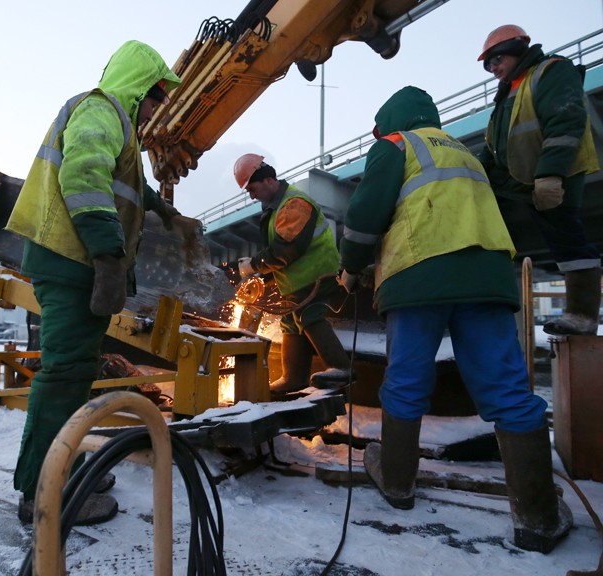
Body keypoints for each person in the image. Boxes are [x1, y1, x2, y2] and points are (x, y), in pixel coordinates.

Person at [338, 86, 573, 553]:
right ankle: (538, 517)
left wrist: (351, 263)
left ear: (389, 121)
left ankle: (398, 484)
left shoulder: (395, 146)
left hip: (420, 275)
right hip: (485, 274)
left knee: (406, 379)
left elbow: (366, 213)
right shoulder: (469, 153)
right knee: (507, 387)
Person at [5, 40, 182, 525]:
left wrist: (167, 212)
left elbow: (128, 185)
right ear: (139, 87)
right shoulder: (101, 111)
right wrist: (107, 256)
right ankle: (47, 494)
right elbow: (84, 176)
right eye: (156, 97)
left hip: (74, 260)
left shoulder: (114, 125)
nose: (156, 109)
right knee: (64, 375)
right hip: (73, 260)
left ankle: (69, 463)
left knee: (75, 372)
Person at [477, 24, 601, 335]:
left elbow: (565, 120)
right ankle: (486, 305)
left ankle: (583, 315)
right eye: (488, 65)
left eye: (495, 60)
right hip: (517, 182)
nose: (492, 69)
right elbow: (495, 145)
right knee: (489, 236)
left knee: (566, 238)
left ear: (517, 49)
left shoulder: (551, 72)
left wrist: (550, 174)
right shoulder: (509, 92)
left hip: (547, 178)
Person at [233, 154, 352, 397]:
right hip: (296, 285)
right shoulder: (277, 209)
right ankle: (293, 378)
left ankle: (341, 367)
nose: (252, 195)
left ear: (268, 180)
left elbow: (286, 250)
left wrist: (253, 266)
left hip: (317, 278)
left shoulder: (294, 204)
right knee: (290, 322)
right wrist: (263, 278)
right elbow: (280, 253)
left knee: (309, 315)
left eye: (252, 189)